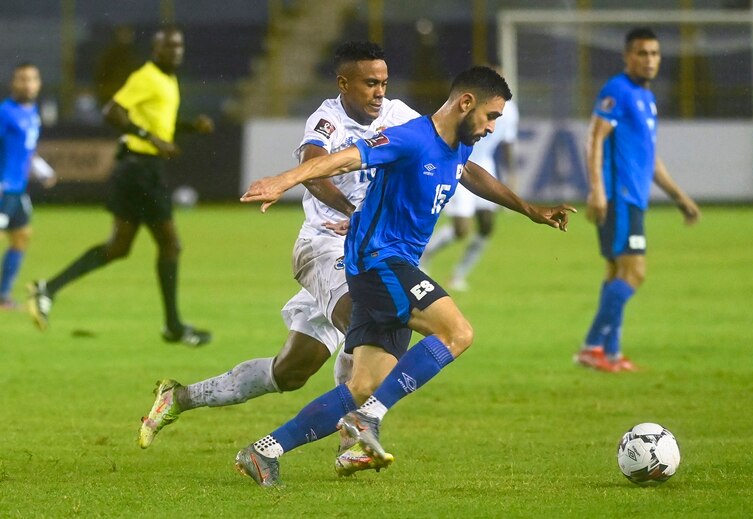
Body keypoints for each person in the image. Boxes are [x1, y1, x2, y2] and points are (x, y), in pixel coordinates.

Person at [234, 66, 575, 487]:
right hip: (377, 261)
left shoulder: (457, 145)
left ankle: (264, 451)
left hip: (393, 264)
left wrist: (529, 210)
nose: (490, 128)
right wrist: (282, 181)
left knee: (362, 385)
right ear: (466, 103)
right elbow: (345, 157)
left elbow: (473, 175)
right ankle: (368, 419)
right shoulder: (412, 136)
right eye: (491, 117)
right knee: (458, 333)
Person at [136, 41, 419, 475]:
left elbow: (444, 148)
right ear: (344, 84)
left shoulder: (400, 116)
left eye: (383, 82)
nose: (379, 91)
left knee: (290, 372)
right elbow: (313, 169)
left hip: (367, 250)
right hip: (325, 247)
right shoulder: (327, 120)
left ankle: (179, 397)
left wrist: (525, 207)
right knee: (371, 326)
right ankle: (357, 436)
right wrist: (355, 214)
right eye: (369, 83)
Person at [27, 26, 214, 345]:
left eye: (179, 47)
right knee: (170, 245)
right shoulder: (147, 77)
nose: (176, 52)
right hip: (140, 171)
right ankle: (172, 326)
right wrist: (150, 138)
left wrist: (190, 127)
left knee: (118, 247)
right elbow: (112, 111)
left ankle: (49, 289)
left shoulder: (167, 80)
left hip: (138, 169)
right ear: (156, 50)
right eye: (169, 47)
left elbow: (160, 127)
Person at [574, 28, 700, 373]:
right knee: (636, 272)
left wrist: (679, 197)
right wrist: (597, 189)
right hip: (620, 198)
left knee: (617, 271)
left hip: (633, 199)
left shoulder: (646, 98)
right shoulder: (618, 90)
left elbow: (650, 158)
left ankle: (610, 353)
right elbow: (594, 139)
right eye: (642, 53)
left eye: (655, 54)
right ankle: (591, 346)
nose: (650, 60)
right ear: (627, 56)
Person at [420, 93, 519, 291]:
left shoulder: (510, 110)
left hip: (485, 165)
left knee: (486, 225)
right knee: (461, 229)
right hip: (461, 164)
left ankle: (458, 276)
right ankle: (423, 257)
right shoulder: (470, 103)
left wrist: (510, 175)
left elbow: (508, 142)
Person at [0, 63, 56, 309]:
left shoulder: (32, 112)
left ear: (39, 83)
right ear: (13, 83)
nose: (28, 84)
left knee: (21, 236)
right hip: (3, 188)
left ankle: (2, 296)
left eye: (32, 79)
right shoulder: (5, 112)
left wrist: (43, 171)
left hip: (17, 189)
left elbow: (27, 151)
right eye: (22, 79)